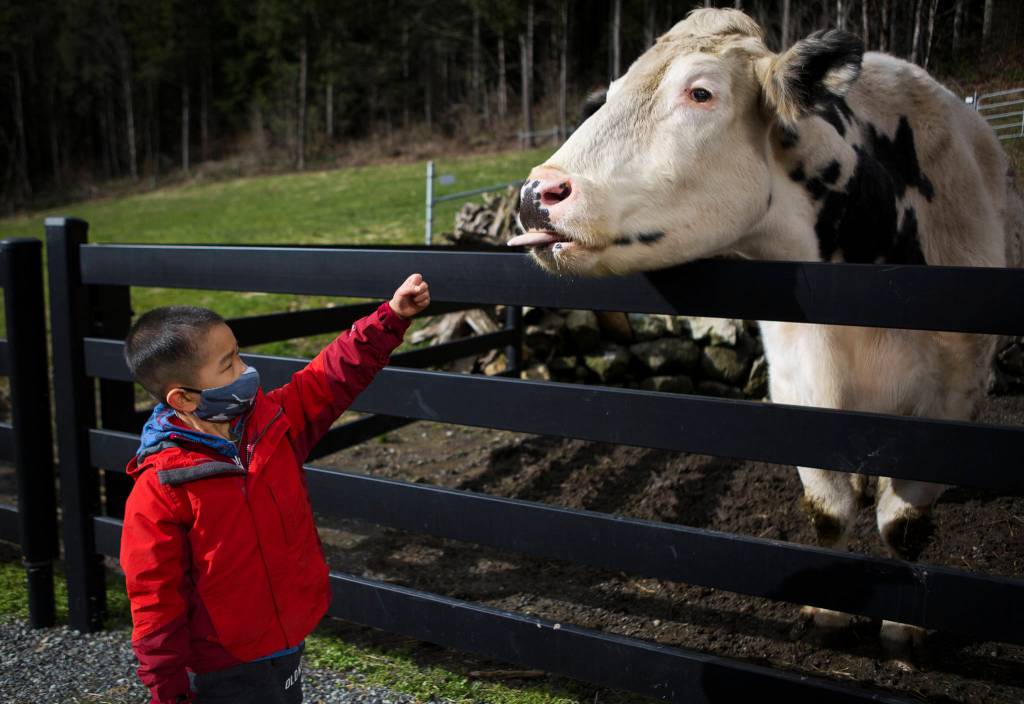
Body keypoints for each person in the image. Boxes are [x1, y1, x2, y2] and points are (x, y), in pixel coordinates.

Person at [119, 274, 430, 704]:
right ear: (184, 399)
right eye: (227, 364)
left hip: (285, 637)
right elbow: (154, 601)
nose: (245, 370)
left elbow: (331, 376)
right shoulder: (162, 489)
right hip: (221, 662)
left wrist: (391, 318)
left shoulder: (272, 422)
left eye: (237, 355)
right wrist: (167, 689)